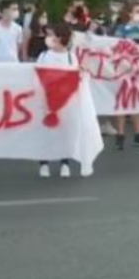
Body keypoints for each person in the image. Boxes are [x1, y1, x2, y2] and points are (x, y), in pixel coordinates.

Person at [36, 23, 94, 179]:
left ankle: (65, 163)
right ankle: (44, 163)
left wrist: (81, 73)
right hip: (47, 101)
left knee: (65, 132)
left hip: (66, 101)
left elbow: (74, 77)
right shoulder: (44, 56)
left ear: (61, 38)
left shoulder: (71, 57)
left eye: (52, 35)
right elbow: (37, 76)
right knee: (46, 133)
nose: (48, 38)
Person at [111, 0, 139, 150]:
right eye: (138, 11)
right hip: (124, 71)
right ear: (129, 13)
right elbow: (115, 47)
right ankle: (120, 135)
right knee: (122, 102)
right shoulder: (121, 30)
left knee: (137, 102)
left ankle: (138, 135)